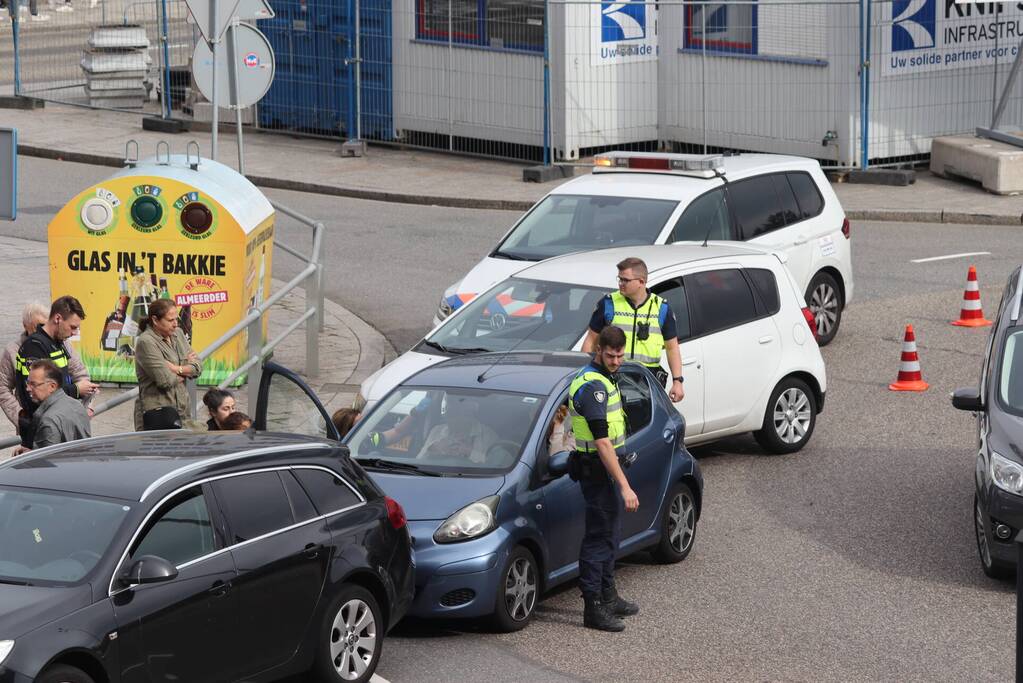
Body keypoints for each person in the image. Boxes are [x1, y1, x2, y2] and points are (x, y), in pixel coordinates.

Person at [569, 325, 640, 632]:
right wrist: (624, 485)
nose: (615, 361)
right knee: (597, 541)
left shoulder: (606, 378)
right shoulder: (592, 387)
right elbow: (601, 442)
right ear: (598, 350)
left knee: (611, 535)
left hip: (606, 471)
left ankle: (609, 596)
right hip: (598, 473)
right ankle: (593, 607)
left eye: (620, 356)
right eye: (610, 355)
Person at [581, 257, 684, 403]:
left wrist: (677, 381)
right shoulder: (608, 303)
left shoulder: (661, 308)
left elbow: (672, 348)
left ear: (641, 282)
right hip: (613, 375)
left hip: (648, 381)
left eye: (625, 280)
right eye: (619, 279)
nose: (620, 283)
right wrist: (586, 375)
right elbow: (590, 341)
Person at [14, 296, 100, 447]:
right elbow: (36, 393)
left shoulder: (57, 343)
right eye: (73, 327)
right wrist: (76, 390)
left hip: (58, 421)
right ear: (58, 318)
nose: (75, 332)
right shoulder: (35, 347)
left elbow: (57, 384)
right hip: (42, 429)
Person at [134, 298, 202, 431]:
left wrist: (176, 368)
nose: (175, 324)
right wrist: (186, 370)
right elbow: (165, 380)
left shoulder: (179, 334)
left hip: (182, 413)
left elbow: (198, 367)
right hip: (158, 415)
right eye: (170, 320)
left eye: (176, 319)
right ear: (155, 320)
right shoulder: (146, 342)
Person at [12, 360, 90, 455]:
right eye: (27, 383)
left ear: (52, 386)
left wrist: (27, 458)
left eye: (33, 384)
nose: (28, 388)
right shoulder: (77, 405)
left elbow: (47, 463)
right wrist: (30, 452)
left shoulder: (48, 420)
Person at [415, 396, 500, 464]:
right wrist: (433, 448)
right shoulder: (437, 430)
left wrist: (469, 452)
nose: (454, 419)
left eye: (459, 413)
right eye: (450, 413)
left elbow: (495, 464)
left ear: (470, 414)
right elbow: (418, 460)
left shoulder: (487, 434)